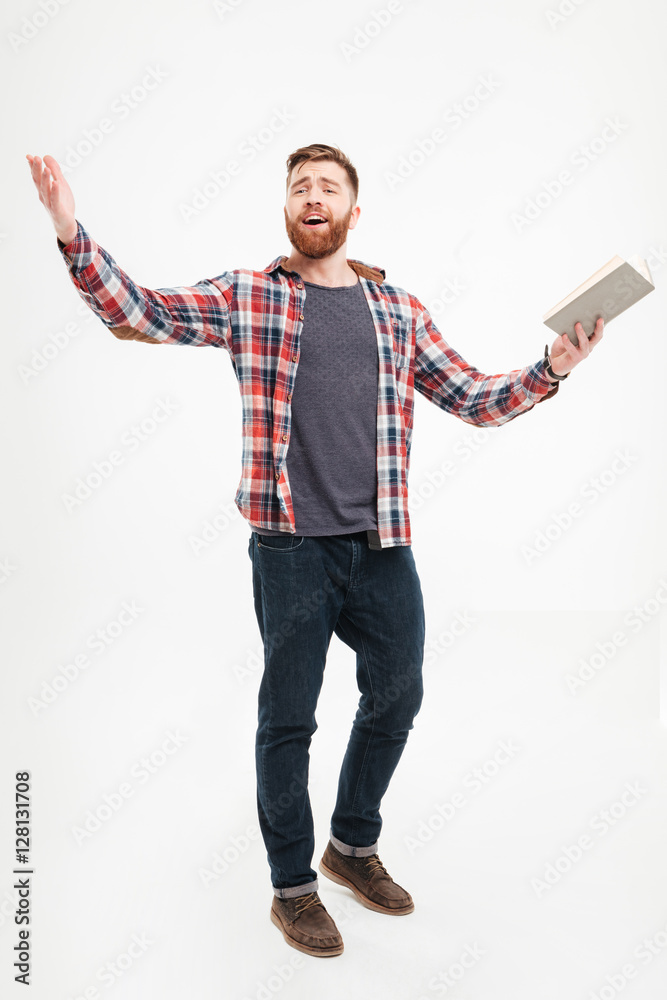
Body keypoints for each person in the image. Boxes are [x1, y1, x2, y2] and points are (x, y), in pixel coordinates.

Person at [26, 143, 603, 959]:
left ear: (352, 213)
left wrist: (551, 367)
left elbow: (474, 398)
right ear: (290, 211)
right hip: (290, 549)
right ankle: (292, 887)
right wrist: (69, 229)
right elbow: (139, 311)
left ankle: (351, 846)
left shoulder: (398, 311)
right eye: (300, 187)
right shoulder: (250, 296)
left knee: (396, 700)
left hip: (381, 546)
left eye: (329, 186)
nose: (313, 196)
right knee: (287, 720)